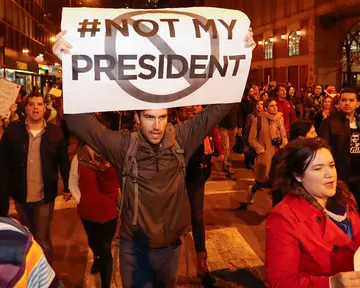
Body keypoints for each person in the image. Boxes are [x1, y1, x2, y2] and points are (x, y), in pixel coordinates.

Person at [53, 30, 256, 287]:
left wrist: (242, 56)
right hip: (133, 249)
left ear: (169, 118)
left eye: (161, 117)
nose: (157, 126)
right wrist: (68, 67)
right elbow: (77, 120)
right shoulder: (123, 144)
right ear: (137, 120)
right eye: (149, 117)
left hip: (171, 250)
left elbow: (220, 107)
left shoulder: (182, 137)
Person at [266, 138, 360, 288]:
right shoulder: (284, 217)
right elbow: (280, 282)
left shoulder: (345, 198)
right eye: (318, 168)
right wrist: (330, 283)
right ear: (298, 175)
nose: (329, 174)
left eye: (331, 165)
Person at [0, 92, 71, 264]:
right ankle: (32, 268)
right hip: (20, 195)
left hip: (44, 197)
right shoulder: (13, 131)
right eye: (31, 104)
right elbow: (0, 160)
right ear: (26, 108)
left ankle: (46, 274)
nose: (35, 108)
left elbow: (63, 162)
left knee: (43, 237)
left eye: (39, 104)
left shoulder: (55, 134)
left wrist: (68, 186)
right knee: (28, 235)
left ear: (45, 108)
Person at [175, 105, 223, 285]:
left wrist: (204, 169)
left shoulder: (199, 126)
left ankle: (202, 264)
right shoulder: (171, 128)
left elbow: (207, 148)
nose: (189, 114)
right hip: (174, 178)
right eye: (185, 111)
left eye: (191, 111)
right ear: (177, 112)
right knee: (173, 217)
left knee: (197, 216)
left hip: (195, 175)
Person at [69, 143, 119, 288]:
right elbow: (72, 182)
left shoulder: (113, 154)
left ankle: (105, 285)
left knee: (105, 247)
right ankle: (97, 257)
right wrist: (81, 200)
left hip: (110, 212)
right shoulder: (80, 157)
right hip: (88, 213)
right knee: (94, 242)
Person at [320, 88, 360, 229]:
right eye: (344, 100)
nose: (347, 103)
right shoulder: (328, 122)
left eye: (351, 100)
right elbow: (324, 148)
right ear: (339, 102)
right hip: (340, 175)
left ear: (358, 104)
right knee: (340, 212)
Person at [0, 213, 64, 288]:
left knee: (42, 237)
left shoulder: (12, 242)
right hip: (22, 202)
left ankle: (47, 267)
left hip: (42, 202)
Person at [247, 98, 287, 204]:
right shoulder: (259, 120)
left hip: (279, 152)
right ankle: (253, 190)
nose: (275, 108)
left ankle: (276, 207)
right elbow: (251, 138)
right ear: (265, 108)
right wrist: (261, 149)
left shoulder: (280, 119)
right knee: (263, 181)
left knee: (278, 182)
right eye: (271, 106)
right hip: (266, 154)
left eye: (275, 105)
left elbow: (283, 134)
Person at [269, 119, 318, 207]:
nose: (316, 135)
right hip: (292, 201)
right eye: (312, 132)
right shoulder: (300, 154)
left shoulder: (284, 151)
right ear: (301, 137)